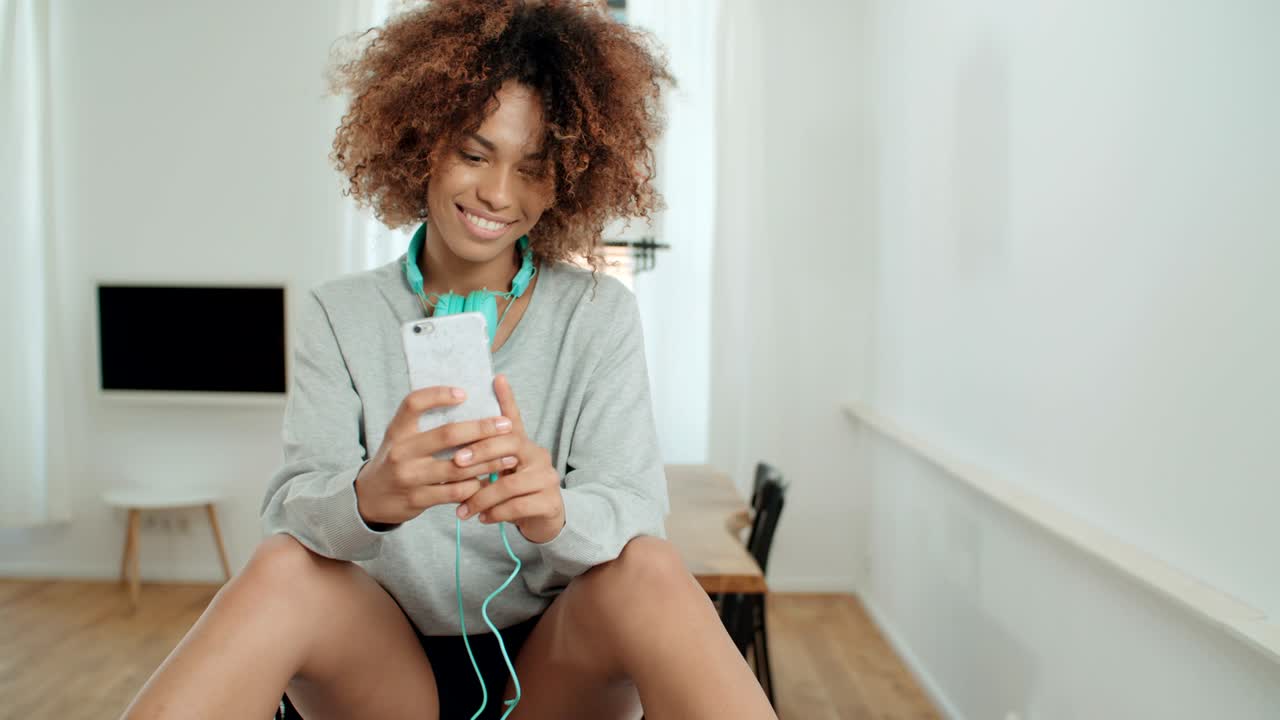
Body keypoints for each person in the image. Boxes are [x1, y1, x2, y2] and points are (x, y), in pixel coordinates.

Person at [122, 1, 776, 719]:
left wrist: (556, 512)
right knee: (282, 563)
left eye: (533, 168)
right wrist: (368, 497)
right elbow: (290, 507)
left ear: (568, 179)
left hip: (552, 663)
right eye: (473, 154)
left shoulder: (598, 313)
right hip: (381, 661)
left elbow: (635, 507)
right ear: (420, 142)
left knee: (649, 565)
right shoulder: (340, 314)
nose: (498, 194)